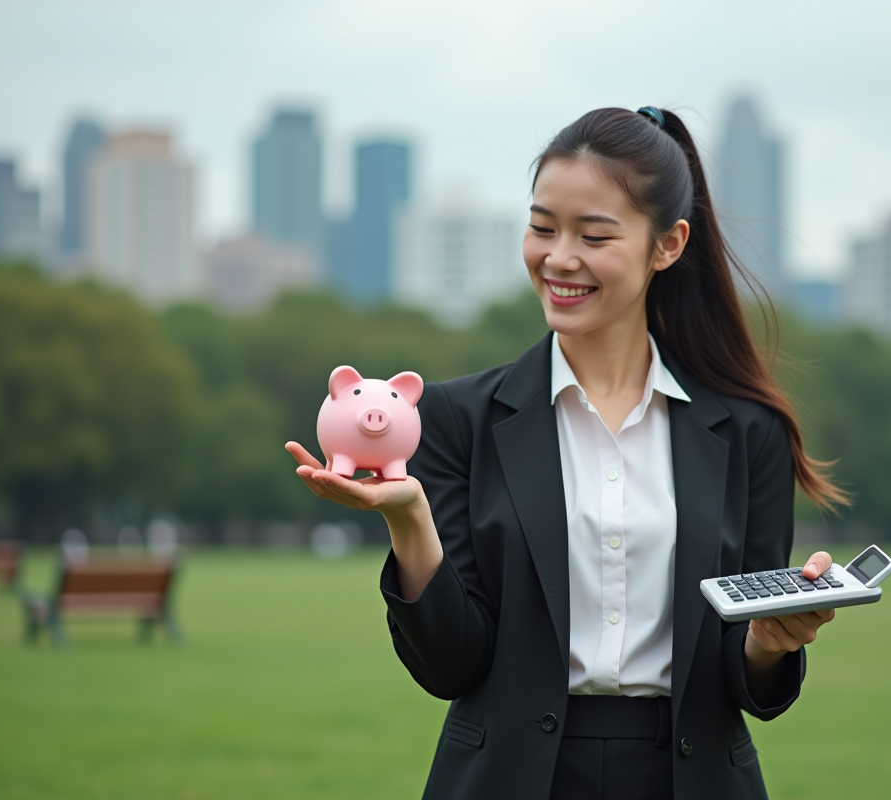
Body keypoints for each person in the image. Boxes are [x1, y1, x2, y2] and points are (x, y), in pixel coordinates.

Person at [286, 107, 849, 800]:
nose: (558, 258)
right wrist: (409, 520)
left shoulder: (746, 431)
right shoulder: (454, 419)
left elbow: (753, 686)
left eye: (594, 235)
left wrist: (770, 640)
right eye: (542, 227)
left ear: (668, 245)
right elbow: (451, 668)